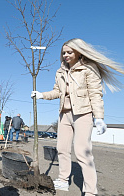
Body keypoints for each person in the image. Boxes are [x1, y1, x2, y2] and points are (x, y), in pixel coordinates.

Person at [31, 38, 124, 196]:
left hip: (83, 114)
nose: (66, 55)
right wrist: (42, 95)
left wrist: (99, 117)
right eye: (64, 53)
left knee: (82, 152)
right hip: (64, 114)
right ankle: (63, 179)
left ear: (79, 51)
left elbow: (95, 94)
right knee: (62, 149)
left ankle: (90, 191)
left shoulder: (89, 69)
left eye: (69, 52)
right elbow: (57, 92)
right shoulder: (60, 72)